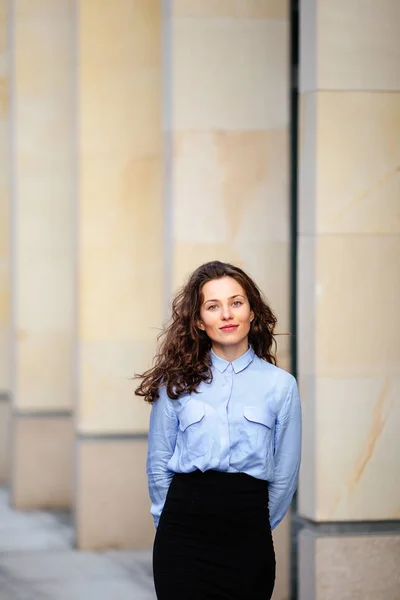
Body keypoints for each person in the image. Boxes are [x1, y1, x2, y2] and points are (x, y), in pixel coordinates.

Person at [135, 260, 302, 600]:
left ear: (252, 311)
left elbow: (285, 474)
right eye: (213, 306)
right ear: (199, 320)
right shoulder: (176, 384)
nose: (227, 314)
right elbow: (158, 463)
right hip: (182, 536)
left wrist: (253, 524)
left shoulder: (280, 386)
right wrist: (167, 525)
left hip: (247, 537)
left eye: (236, 302)